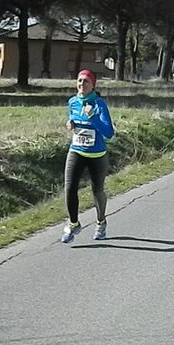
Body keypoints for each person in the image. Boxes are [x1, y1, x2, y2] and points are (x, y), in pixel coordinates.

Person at [61, 69, 115, 243]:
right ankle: (74, 223)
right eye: (79, 81)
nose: (81, 85)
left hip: (97, 155)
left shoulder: (99, 104)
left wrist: (93, 116)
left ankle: (101, 222)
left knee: (97, 190)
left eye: (86, 82)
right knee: (69, 188)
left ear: (93, 85)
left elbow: (109, 133)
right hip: (76, 150)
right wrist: (71, 124)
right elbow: (74, 120)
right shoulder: (73, 102)